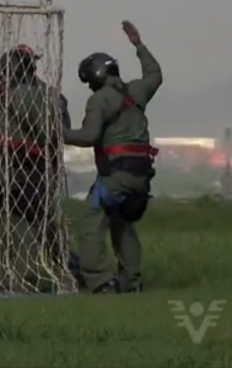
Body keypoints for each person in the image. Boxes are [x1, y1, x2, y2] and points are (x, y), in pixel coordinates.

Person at [63, 20, 163, 294]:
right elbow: (155, 74)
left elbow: (89, 136)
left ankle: (100, 281)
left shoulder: (100, 100)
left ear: (95, 76)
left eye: (89, 81)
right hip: (141, 176)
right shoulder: (137, 91)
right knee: (121, 223)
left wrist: (58, 133)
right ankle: (131, 282)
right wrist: (138, 45)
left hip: (115, 176)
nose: (89, 87)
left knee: (91, 222)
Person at [0, 45, 66, 292]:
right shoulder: (42, 96)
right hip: (27, 174)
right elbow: (51, 137)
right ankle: (27, 278)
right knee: (27, 228)